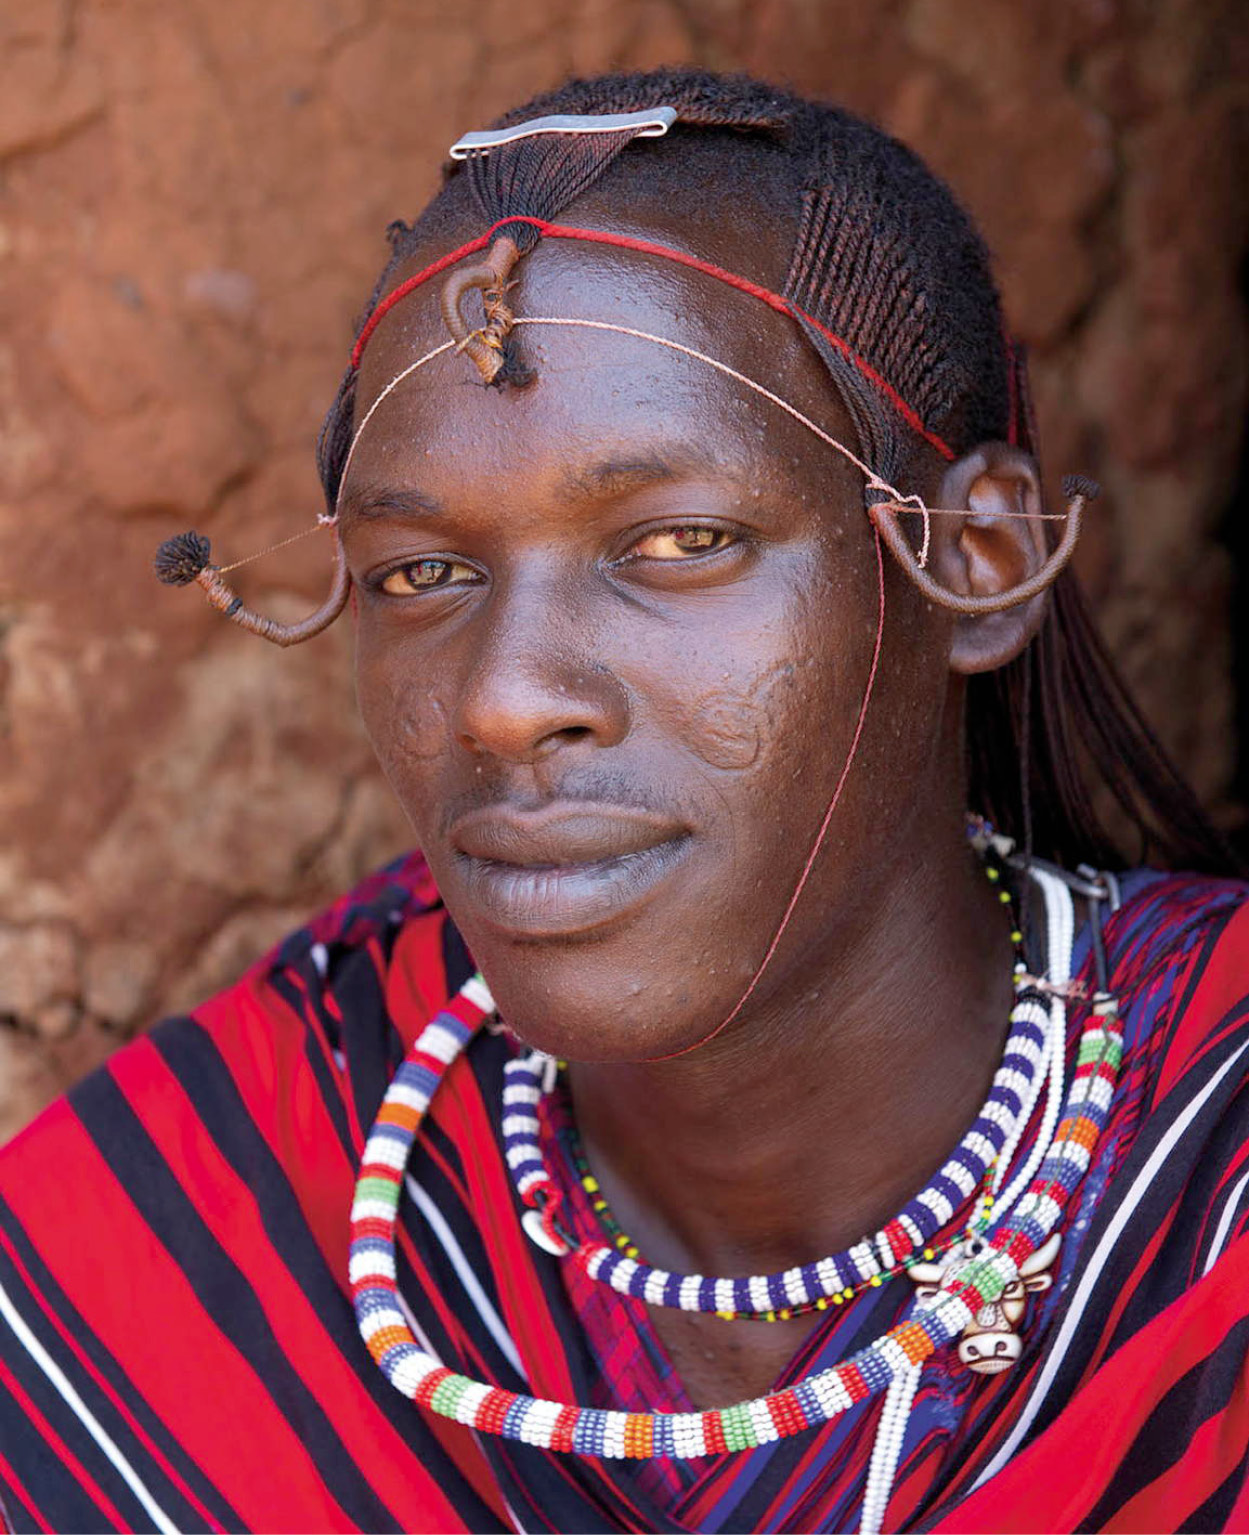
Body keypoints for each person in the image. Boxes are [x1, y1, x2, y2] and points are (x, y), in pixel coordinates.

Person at [2, 66, 1246, 1534]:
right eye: (422, 573)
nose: (504, 697)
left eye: (677, 541)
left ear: (974, 559)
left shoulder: (1204, 1180)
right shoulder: (184, 1233)